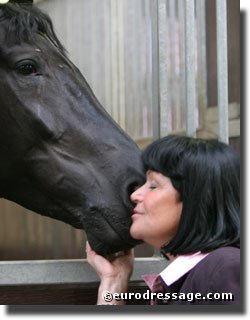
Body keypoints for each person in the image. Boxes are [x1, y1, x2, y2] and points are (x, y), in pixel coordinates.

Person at [86, 135, 240, 305]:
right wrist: (114, 282)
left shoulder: (226, 268)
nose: (134, 195)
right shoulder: (192, 279)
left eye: (153, 185)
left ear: (197, 198)